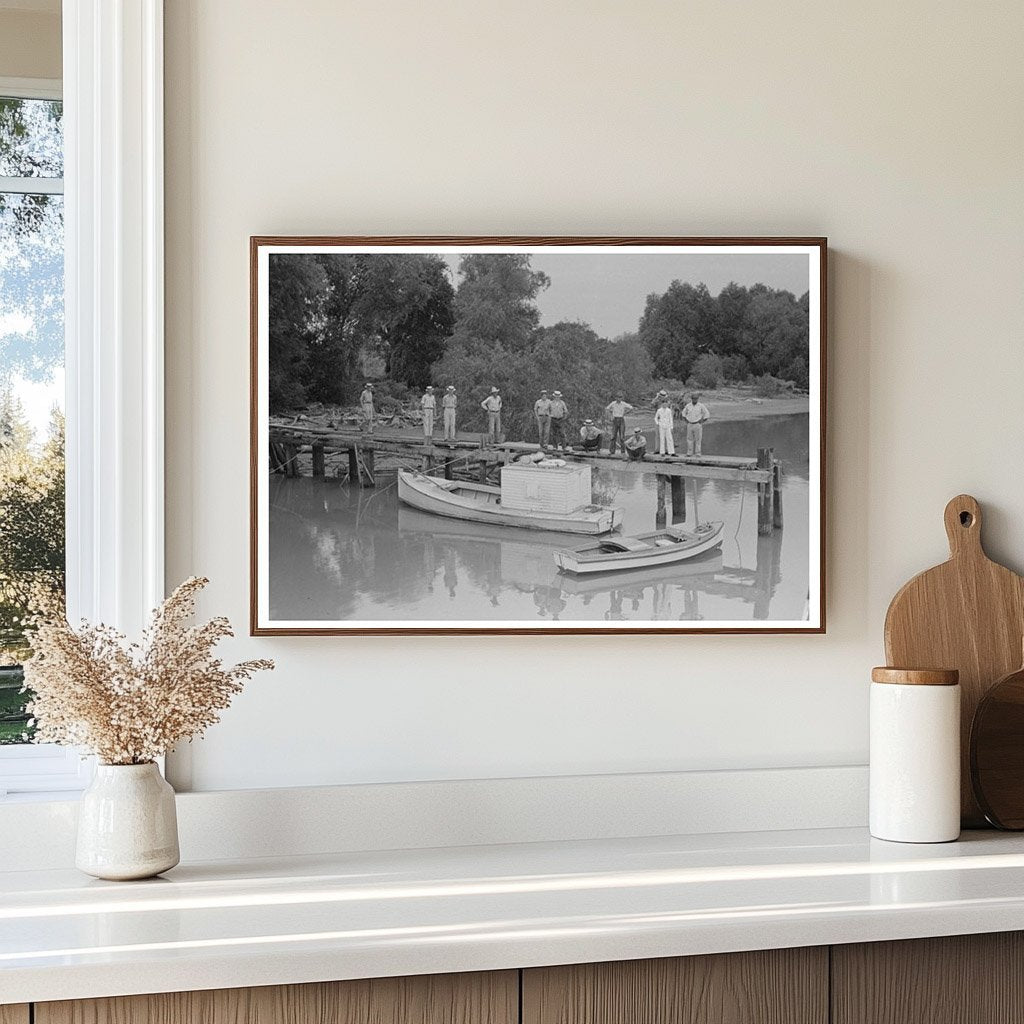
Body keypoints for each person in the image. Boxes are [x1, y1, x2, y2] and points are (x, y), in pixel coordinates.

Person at [681, 392, 711, 456]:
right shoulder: (688, 406)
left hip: (697, 424)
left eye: (696, 399)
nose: (695, 400)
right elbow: (683, 413)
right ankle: (689, 453)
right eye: (693, 398)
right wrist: (686, 420)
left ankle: (698, 453)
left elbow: (707, 414)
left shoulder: (701, 406)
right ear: (691, 399)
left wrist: (702, 420)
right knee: (689, 439)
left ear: (698, 399)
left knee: (698, 439)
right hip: (690, 424)